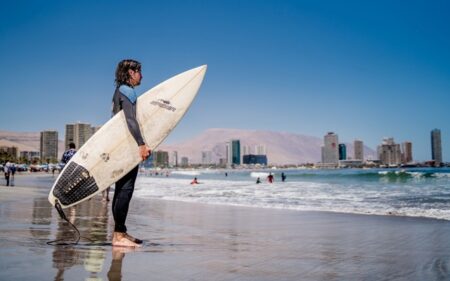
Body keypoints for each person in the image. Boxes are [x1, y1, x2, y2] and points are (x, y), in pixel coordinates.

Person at [111, 59, 151, 247]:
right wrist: (141, 144)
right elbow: (130, 120)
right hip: (126, 149)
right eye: (139, 71)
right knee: (125, 190)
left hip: (118, 148)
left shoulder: (118, 91)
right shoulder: (127, 91)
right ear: (130, 73)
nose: (141, 75)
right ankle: (118, 235)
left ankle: (120, 232)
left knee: (121, 190)